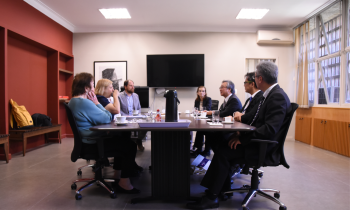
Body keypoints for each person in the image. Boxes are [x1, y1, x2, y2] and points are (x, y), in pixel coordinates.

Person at [187, 61, 292, 209]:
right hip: (257, 141)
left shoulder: (277, 97)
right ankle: (216, 191)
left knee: (223, 152)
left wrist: (243, 139)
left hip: (263, 147)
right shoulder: (270, 95)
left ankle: (212, 197)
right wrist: (240, 133)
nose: (253, 80)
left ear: (260, 79)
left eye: (254, 77)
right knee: (222, 146)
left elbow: (269, 129)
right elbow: (255, 119)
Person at [68, 73, 140, 194]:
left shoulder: (73, 101)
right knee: (130, 146)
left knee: (121, 140)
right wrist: (96, 102)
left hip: (87, 142)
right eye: (92, 85)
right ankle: (124, 183)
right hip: (93, 143)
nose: (93, 88)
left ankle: (118, 175)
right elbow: (107, 117)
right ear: (86, 88)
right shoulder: (84, 102)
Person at [95, 78, 143, 175]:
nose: (113, 90)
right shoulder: (101, 99)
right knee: (129, 143)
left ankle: (119, 170)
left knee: (124, 136)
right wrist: (116, 96)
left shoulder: (101, 99)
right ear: (104, 88)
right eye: (111, 87)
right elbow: (116, 110)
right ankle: (125, 173)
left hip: (101, 133)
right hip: (100, 137)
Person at [203, 80, 242, 156]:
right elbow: (220, 112)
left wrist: (210, 112)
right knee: (207, 131)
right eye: (220, 87)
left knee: (210, 133)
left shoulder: (234, 100)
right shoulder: (227, 100)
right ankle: (217, 154)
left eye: (222, 87)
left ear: (229, 89)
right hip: (225, 125)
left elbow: (224, 113)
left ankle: (219, 155)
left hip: (232, 129)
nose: (220, 89)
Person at [118, 80, 146, 151]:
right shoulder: (120, 96)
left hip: (135, 117)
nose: (133, 87)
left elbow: (139, 107)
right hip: (125, 118)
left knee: (145, 126)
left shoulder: (136, 96)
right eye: (131, 85)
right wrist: (127, 116)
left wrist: (137, 114)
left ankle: (139, 140)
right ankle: (130, 144)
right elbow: (119, 109)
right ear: (125, 87)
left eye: (133, 85)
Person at [192, 86, 212, 156]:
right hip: (200, 119)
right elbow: (195, 110)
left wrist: (199, 111)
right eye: (200, 91)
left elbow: (208, 109)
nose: (201, 92)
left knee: (200, 130)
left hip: (207, 119)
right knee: (199, 130)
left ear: (205, 92)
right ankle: (199, 149)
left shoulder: (208, 99)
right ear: (197, 92)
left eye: (203, 91)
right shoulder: (196, 100)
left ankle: (206, 150)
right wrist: (197, 112)